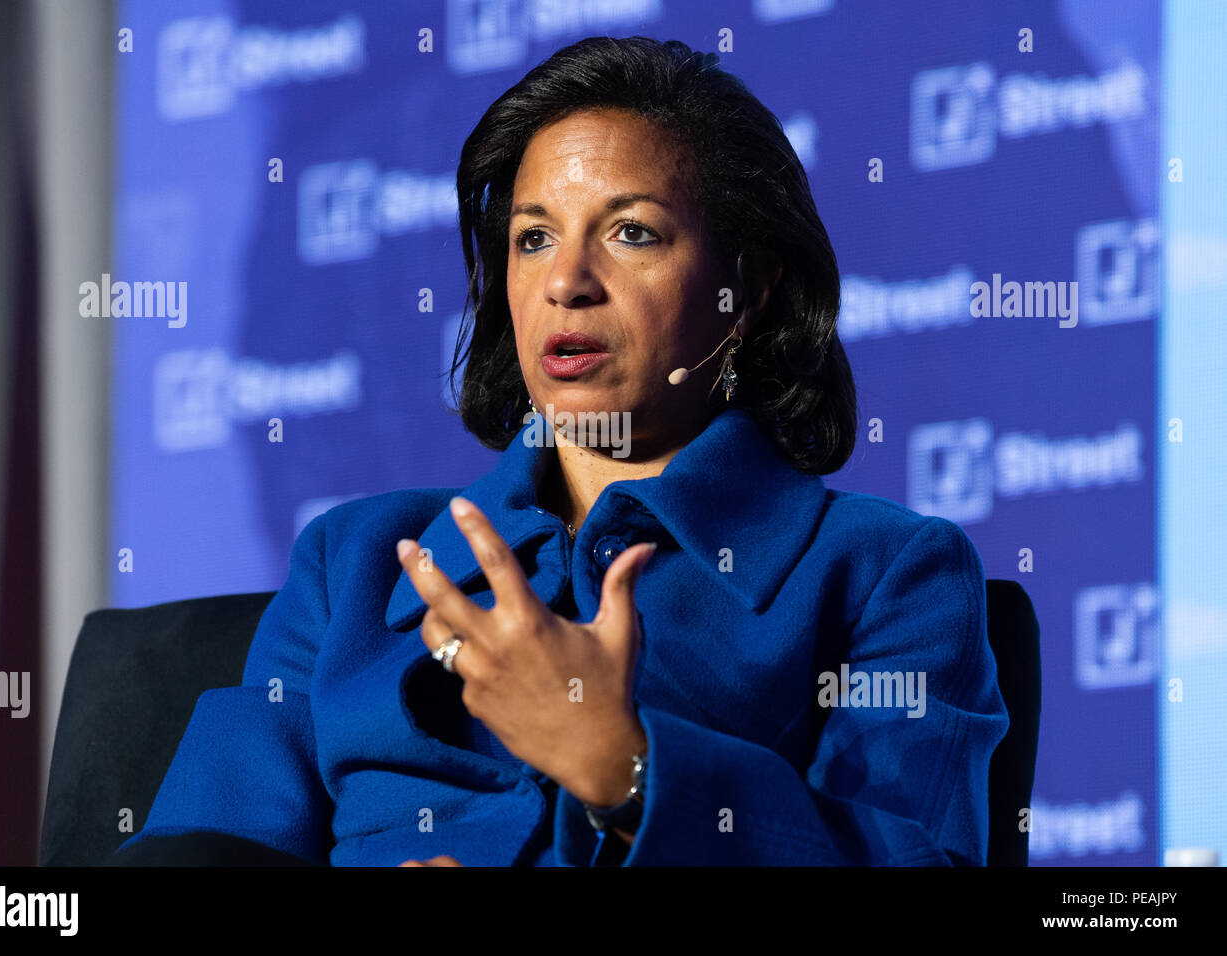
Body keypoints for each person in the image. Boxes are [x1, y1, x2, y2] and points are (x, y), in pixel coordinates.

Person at [113, 36, 1008, 867]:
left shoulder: (888, 573)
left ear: (748, 290)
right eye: (533, 237)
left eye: (633, 233)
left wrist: (623, 765)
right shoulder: (349, 562)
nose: (566, 282)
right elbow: (199, 849)